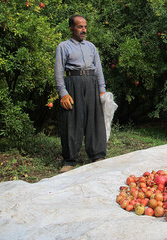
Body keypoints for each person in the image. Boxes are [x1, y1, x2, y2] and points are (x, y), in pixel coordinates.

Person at [55, 14, 107, 173]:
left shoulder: (91, 47)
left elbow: (98, 69)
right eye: (80, 27)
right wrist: (63, 93)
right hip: (73, 83)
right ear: (71, 28)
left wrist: (102, 90)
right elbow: (58, 71)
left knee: (94, 120)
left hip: (91, 82)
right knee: (72, 121)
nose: (84, 30)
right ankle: (69, 159)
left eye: (85, 26)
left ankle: (97, 155)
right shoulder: (63, 47)